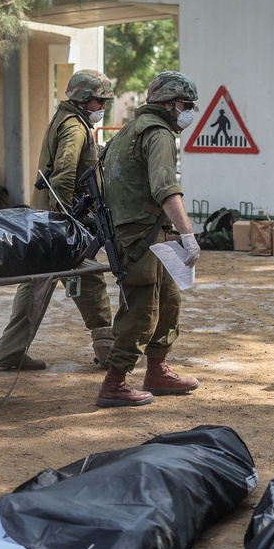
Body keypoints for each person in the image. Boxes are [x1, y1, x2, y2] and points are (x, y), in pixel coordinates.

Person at [0, 70, 115, 371]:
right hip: (60, 224)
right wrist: (67, 225)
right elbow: (63, 174)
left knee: (36, 284)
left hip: (46, 221)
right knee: (92, 281)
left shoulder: (65, 118)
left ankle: (10, 352)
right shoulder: (75, 127)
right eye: (100, 101)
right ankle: (108, 351)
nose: (103, 107)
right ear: (86, 99)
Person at [95, 70, 203, 407]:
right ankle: (114, 383)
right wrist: (188, 235)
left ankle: (157, 370)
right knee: (142, 310)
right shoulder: (157, 134)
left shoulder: (127, 131)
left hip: (145, 232)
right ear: (170, 104)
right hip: (139, 237)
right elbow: (165, 189)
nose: (189, 112)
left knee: (169, 301)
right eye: (187, 105)